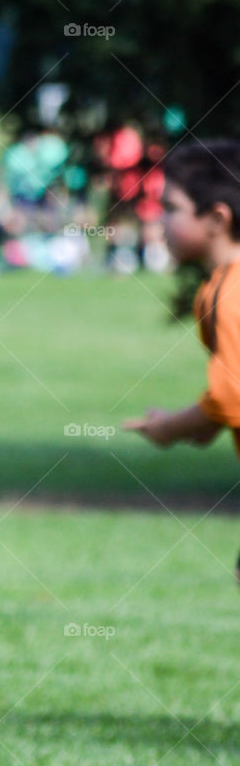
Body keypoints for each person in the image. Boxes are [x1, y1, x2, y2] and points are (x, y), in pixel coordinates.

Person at [123, 139, 240, 578]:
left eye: (171, 208)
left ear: (216, 219)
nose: (160, 220)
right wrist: (196, 423)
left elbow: (231, 398)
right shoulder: (218, 289)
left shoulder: (231, 293)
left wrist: (173, 427)